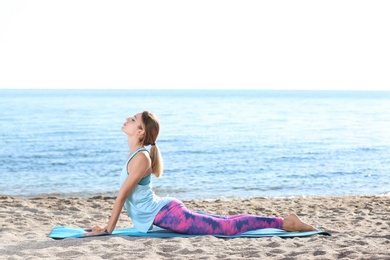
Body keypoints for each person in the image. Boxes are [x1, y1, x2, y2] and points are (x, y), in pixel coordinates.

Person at [85, 111, 317, 236]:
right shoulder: (137, 155)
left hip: (167, 214)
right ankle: (284, 220)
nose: (127, 119)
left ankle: (285, 222)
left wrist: (108, 229)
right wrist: (106, 227)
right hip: (166, 211)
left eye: (133, 119)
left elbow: (122, 196)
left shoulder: (142, 157)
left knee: (225, 228)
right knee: (224, 222)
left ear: (140, 132)